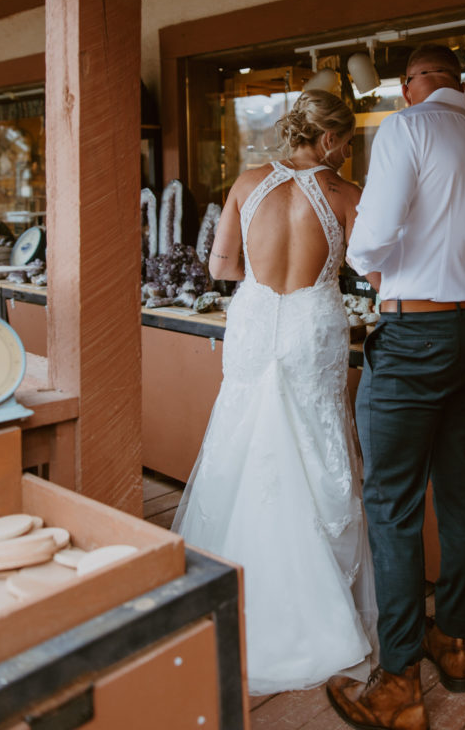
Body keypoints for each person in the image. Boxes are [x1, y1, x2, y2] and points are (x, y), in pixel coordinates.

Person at [326, 44, 465, 730]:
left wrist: (374, 269)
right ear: (457, 82)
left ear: (413, 84)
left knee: (390, 501)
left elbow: (369, 240)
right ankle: (449, 640)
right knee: (458, 491)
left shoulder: (407, 128)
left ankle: (396, 684)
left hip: (415, 335)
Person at [173, 88, 378, 695]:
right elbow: (371, 270)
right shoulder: (346, 194)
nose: (346, 152)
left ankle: (228, 575)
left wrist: (265, 282)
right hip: (313, 319)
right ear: (331, 139)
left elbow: (221, 268)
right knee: (315, 437)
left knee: (244, 432)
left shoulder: (246, 181)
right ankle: (312, 596)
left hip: (257, 318)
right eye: (346, 141)